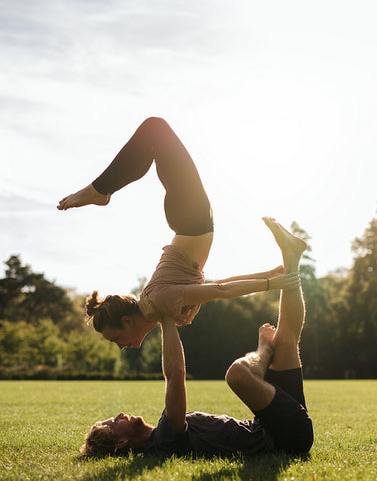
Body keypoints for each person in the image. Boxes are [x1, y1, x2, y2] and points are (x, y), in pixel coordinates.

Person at [80, 218, 313, 458]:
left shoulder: (163, 433)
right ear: (121, 442)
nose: (119, 415)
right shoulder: (164, 441)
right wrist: (166, 319)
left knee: (286, 339)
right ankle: (263, 350)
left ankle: (291, 257)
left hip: (277, 425)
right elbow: (175, 374)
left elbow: (216, 287)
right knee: (237, 375)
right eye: (114, 423)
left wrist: (269, 275)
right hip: (283, 439)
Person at [58, 117, 300, 348]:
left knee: (155, 129)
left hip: (190, 220)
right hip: (193, 221)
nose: (121, 347)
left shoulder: (157, 302)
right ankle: (101, 191)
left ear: (127, 321)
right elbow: (219, 285)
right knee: (154, 140)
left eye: (115, 339)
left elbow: (220, 291)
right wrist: (271, 274)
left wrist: (271, 284)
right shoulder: (160, 308)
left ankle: (100, 190)